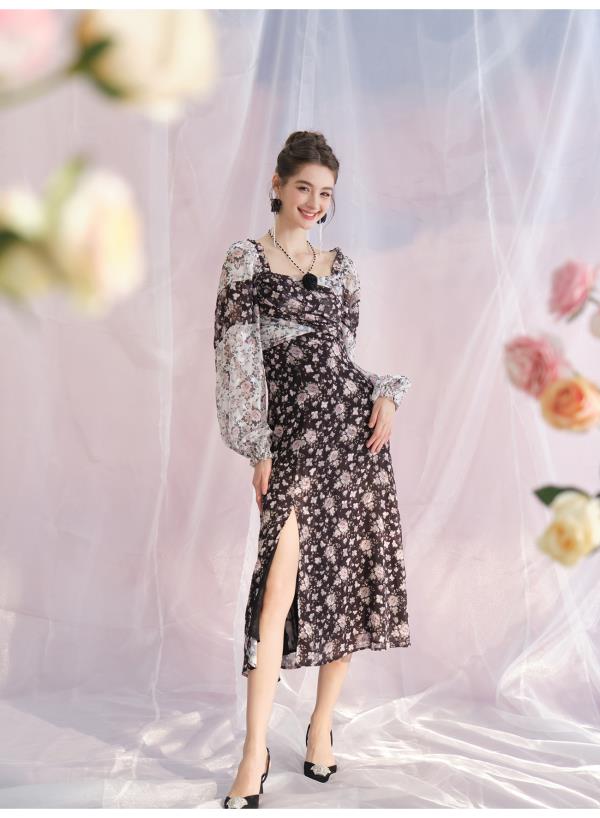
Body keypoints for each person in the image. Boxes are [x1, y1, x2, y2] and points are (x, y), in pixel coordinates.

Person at [213, 130, 412, 808]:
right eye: (303, 187)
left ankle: (321, 727)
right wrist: (258, 448)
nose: (314, 203)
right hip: (294, 445)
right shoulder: (245, 261)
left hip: (353, 443)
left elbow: (342, 360)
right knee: (278, 593)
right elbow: (237, 360)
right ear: (276, 184)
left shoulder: (341, 267)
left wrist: (386, 393)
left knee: (346, 585)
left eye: (325, 193)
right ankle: (254, 751)